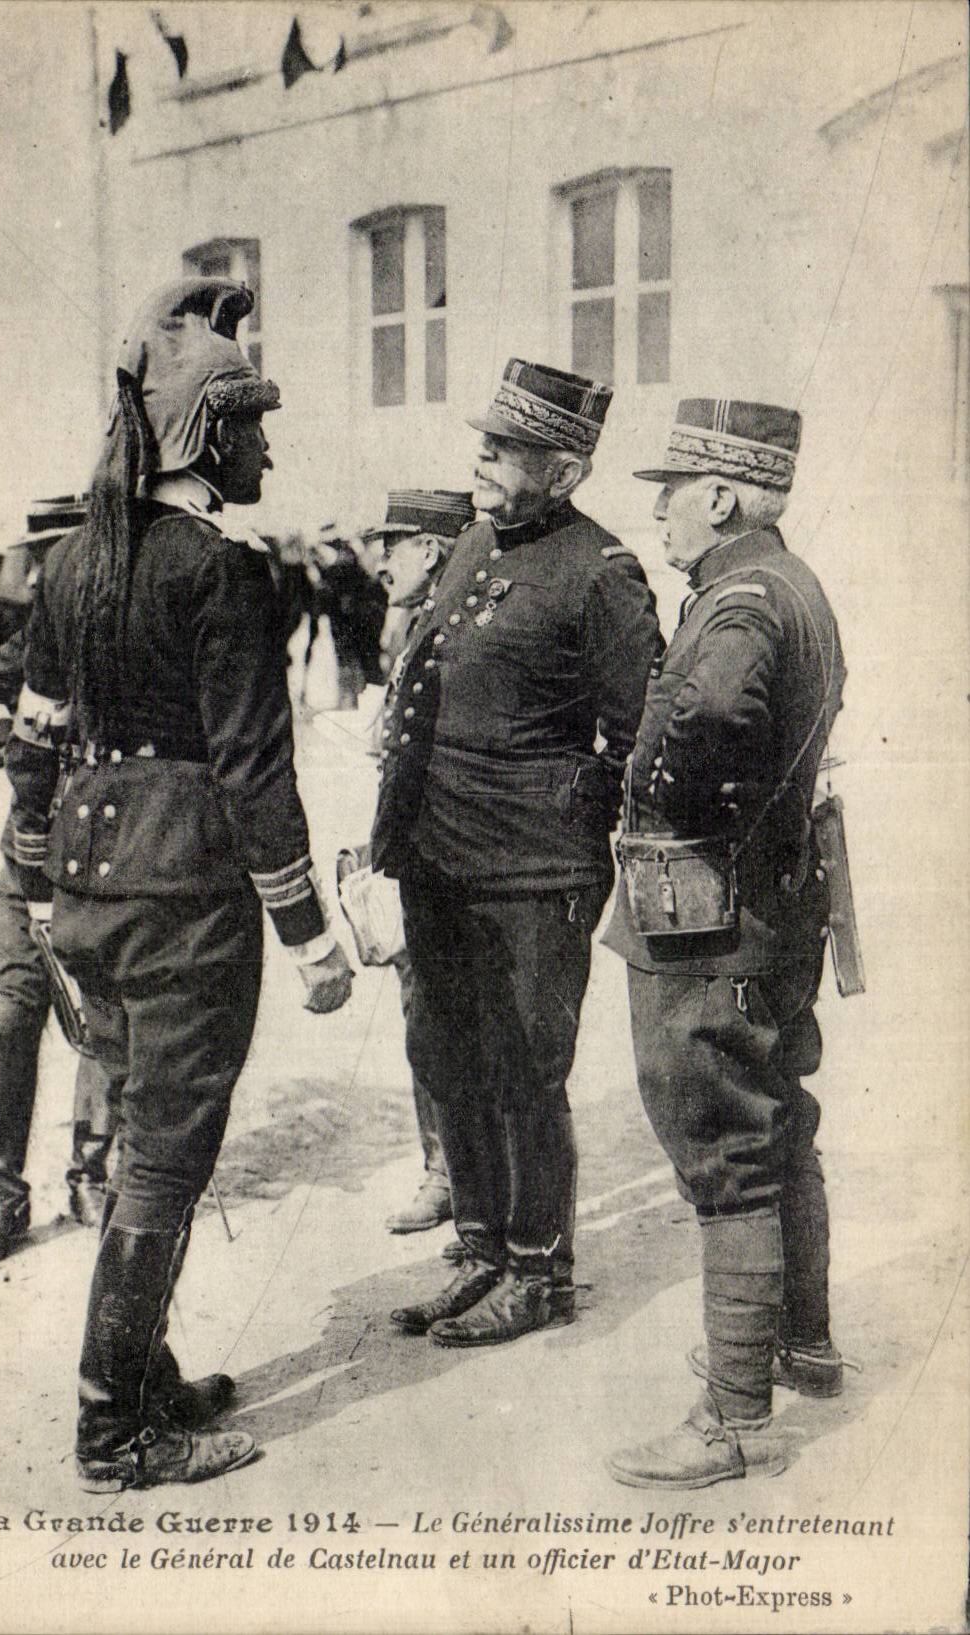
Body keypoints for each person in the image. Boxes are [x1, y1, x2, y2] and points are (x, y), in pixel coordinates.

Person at [5, 277, 353, 1492]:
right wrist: (309, 933)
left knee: (146, 1138)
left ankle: (141, 1372)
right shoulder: (222, 570)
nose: (267, 444)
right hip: (186, 899)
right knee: (166, 1157)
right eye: (251, 423)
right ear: (209, 433)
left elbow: (37, 742)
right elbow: (255, 770)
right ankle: (116, 1428)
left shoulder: (73, 566)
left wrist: (36, 885)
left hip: (93, 891)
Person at [371, 360, 661, 1347]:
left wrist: (565, 828)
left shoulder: (602, 570)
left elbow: (637, 739)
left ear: (566, 472)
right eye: (484, 445)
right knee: (452, 1061)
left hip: (533, 874)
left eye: (504, 450)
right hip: (437, 858)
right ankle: (481, 1250)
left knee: (525, 1072)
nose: (481, 462)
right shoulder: (473, 546)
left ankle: (539, 1269)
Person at [602, 397, 847, 1489]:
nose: (656, 515)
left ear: (719, 495)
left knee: (724, 1142)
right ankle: (799, 1344)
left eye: (668, 493)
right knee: (778, 1119)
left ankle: (732, 1422)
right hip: (772, 904)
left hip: (712, 914)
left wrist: (652, 804)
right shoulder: (786, 583)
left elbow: (701, 724)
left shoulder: (739, 599)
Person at [0, 627, 122, 1270]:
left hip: (103, 861)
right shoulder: (51, 629)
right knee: (14, 1011)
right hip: (27, 861)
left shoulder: (141, 626)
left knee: (104, 1011)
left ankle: (90, 1174)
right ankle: (3, 1196)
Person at [360, 489, 476, 1234]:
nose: (379, 563)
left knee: (446, 1018)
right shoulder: (418, 623)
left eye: (391, 546)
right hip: (417, 848)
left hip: (451, 853)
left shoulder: (454, 625)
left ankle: (457, 1178)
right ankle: (444, 1169)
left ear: (431, 550)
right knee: (421, 1014)